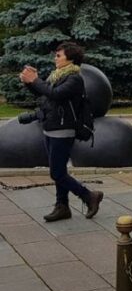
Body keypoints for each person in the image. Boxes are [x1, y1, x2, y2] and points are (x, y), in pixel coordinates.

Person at [19, 42, 103, 223]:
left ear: (70, 58)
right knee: (60, 170)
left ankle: (89, 196)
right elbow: (45, 95)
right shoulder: (57, 76)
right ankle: (62, 206)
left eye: (59, 55)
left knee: (57, 173)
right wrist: (29, 83)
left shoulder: (74, 78)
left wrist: (35, 80)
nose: (55, 58)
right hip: (51, 128)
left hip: (63, 130)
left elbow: (55, 94)